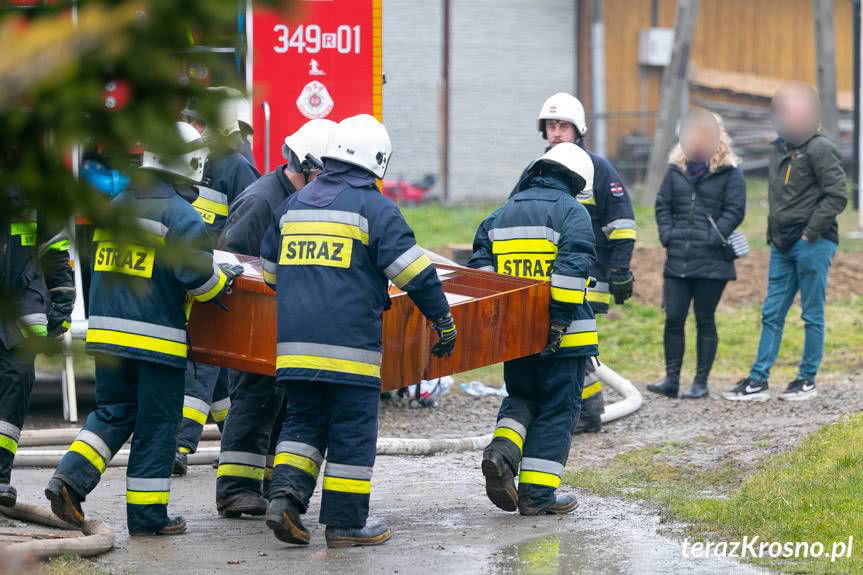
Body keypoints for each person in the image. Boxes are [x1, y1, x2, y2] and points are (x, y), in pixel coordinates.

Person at [261, 114, 456, 547]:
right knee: (351, 432)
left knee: (302, 424)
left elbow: (272, 276)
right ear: (377, 161)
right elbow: (417, 276)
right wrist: (442, 321)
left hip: (294, 351)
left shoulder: (292, 206)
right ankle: (346, 524)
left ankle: (285, 501)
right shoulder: (375, 209)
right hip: (350, 350)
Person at [44, 122, 242, 535]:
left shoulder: (115, 206)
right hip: (156, 341)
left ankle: (67, 480)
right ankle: (148, 517)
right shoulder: (181, 216)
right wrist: (227, 278)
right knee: (156, 426)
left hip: (106, 336)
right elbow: (201, 282)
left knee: (113, 413)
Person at [214, 118, 336, 518]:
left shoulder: (302, 198)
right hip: (255, 321)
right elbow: (233, 261)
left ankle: (264, 485)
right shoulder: (261, 200)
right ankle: (234, 489)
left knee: (279, 404)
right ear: (301, 165)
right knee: (252, 401)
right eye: (321, 173)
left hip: (285, 322)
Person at [469, 142, 597, 516]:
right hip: (565, 338)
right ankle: (537, 497)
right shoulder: (573, 213)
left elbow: (482, 279)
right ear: (575, 181)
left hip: (515, 337)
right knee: (559, 409)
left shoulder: (499, 216)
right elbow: (572, 273)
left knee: (522, 397)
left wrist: (500, 328)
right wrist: (556, 323)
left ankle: (502, 452)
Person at [724, 84, 848, 402]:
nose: (782, 119)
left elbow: (837, 195)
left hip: (812, 243)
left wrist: (810, 232)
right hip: (781, 244)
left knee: (811, 314)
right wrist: (776, 236)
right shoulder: (779, 147)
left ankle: (806, 379)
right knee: (771, 313)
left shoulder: (821, 148)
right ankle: (758, 380)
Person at [533, 92, 636, 433]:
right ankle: (578, 408)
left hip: (588, 277)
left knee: (574, 345)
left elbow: (621, 222)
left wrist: (620, 268)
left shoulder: (598, 169)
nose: (557, 132)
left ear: (578, 130)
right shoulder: (538, 170)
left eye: (563, 125)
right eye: (551, 125)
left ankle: (587, 411)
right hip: (547, 274)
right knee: (564, 348)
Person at [173, 87, 261, 475]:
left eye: (201, 120)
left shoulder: (230, 162)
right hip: (211, 274)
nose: (195, 126)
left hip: (211, 272)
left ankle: (227, 441)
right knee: (207, 362)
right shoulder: (233, 160)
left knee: (214, 363)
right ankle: (177, 444)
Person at [648, 110, 746, 399]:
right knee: (674, 318)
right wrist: (668, 234)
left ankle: (700, 382)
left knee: (705, 319)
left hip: (713, 261)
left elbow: (735, 210)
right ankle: (671, 379)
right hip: (678, 258)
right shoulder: (675, 169)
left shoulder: (730, 171)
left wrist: (712, 237)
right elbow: (662, 205)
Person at [0, 178, 75, 507]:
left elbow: (54, 247)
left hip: (21, 303)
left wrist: (62, 298)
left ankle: (0, 478)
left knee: (16, 381)